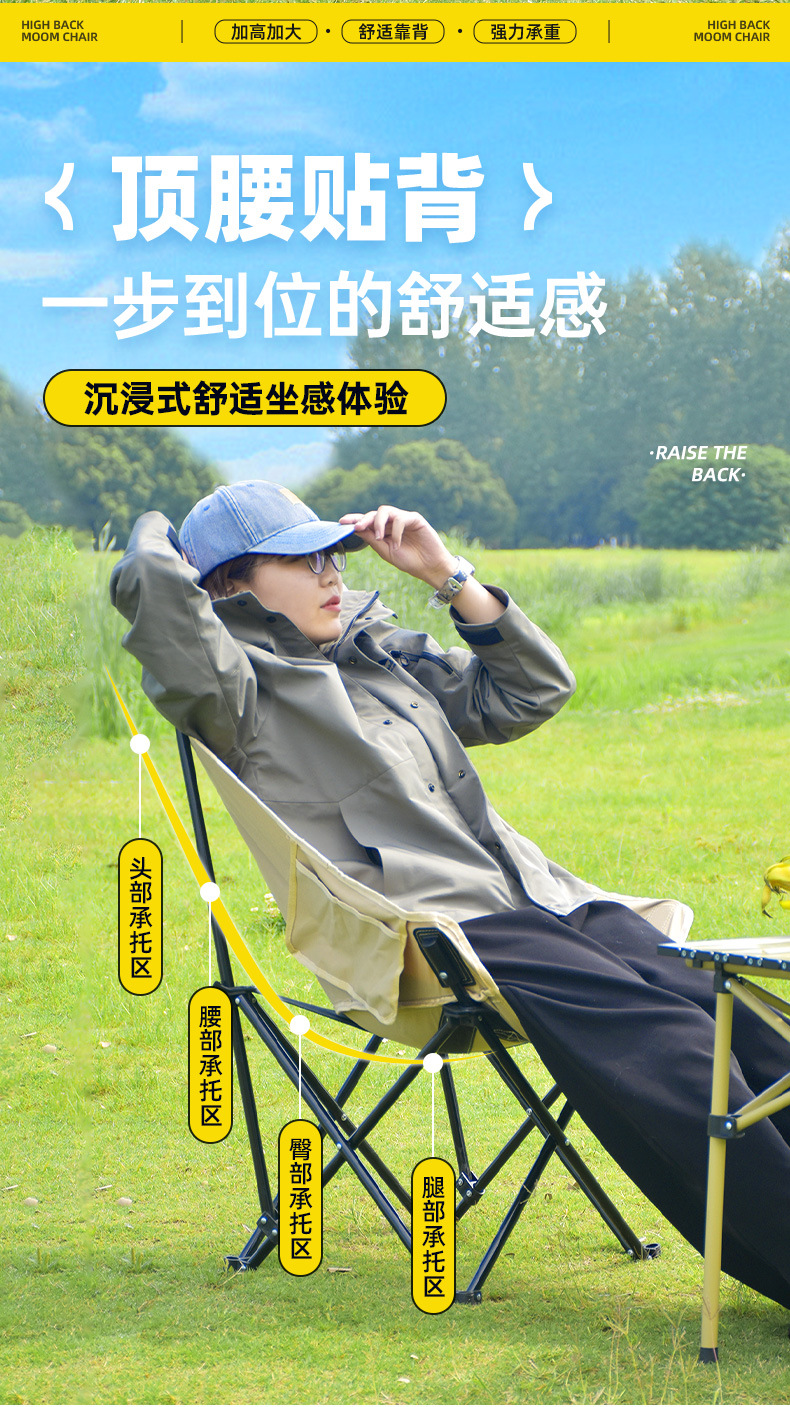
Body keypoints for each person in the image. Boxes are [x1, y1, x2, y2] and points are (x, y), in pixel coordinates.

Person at [111, 479, 790, 1315]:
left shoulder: (378, 653)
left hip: (535, 900)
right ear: (228, 586)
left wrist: (446, 574)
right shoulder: (235, 688)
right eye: (302, 560)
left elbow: (529, 693)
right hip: (425, 935)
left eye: (333, 556)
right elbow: (151, 590)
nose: (332, 575)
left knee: (729, 1004)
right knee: (673, 1043)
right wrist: (165, 528)